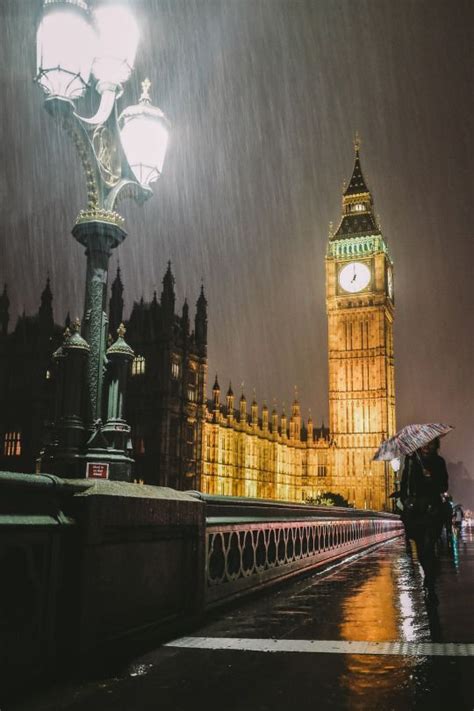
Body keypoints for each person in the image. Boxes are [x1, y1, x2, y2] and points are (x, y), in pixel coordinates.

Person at [400, 437, 449, 604]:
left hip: (433, 510)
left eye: (431, 444)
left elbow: (444, 486)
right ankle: (429, 577)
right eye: (424, 444)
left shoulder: (439, 462)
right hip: (416, 511)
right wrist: (405, 499)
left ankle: (430, 582)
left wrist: (431, 478)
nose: (427, 447)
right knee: (422, 550)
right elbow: (404, 482)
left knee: (429, 546)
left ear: (436, 445)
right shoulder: (412, 461)